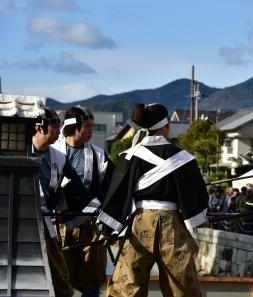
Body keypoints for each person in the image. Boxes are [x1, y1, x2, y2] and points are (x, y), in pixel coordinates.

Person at [97, 103, 209, 297]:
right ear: (165, 127)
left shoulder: (130, 156)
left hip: (141, 223)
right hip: (173, 224)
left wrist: (106, 230)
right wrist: (199, 218)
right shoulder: (184, 158)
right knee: (182, 284)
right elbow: (196, 194)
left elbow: (117, 194)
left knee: (128, 281)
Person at [52, 105, 115, 297]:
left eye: (92, 126)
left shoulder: (98, 155)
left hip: (90, 224)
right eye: (87, 126)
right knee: (59, 276)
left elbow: (111, 188)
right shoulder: (53, 152)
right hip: (57, 223)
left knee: (92, 276)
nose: (90, 131)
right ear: (73, 127)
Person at [32, 107, 74, 297]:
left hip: (46, 220)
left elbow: (78, 191)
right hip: (14, 219)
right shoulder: (15, 150)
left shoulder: (59, 158)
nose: (59, 130)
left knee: (60, 277)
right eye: (56, 125)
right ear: (40, 128)